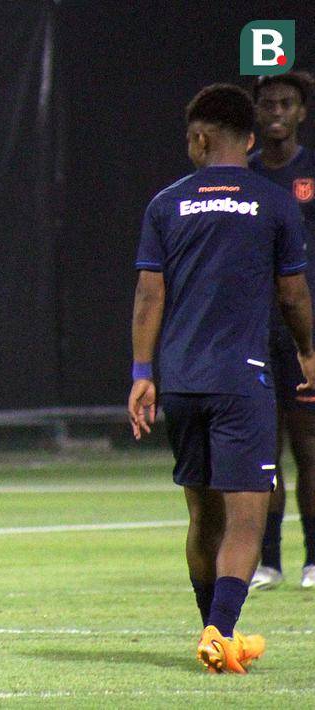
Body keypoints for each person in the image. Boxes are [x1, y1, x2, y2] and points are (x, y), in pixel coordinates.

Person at [129, 83, 315, 673]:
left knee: (201, 518)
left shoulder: (166, 203)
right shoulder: (274, 202)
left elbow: (148, 294)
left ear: (202, 138)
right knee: (247, 516)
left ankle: (214, 630)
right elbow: (292, 293)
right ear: (252, 138)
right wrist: (309, 350)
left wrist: (142, 373)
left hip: (180, 381)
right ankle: (222, 632)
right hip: (244, 378)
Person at [248, 71, 315, 591]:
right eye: (267, 103)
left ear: (301, 112)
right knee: (260, 451)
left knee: (309, 447)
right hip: (253, 331)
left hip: (305, 332)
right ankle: (267, 559)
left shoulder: (312, 170)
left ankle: (314, 557)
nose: (276, 112)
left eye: (286, 103)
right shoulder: (243, 176)